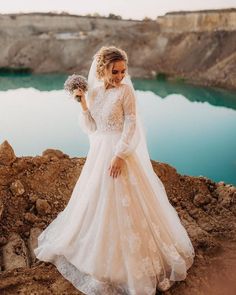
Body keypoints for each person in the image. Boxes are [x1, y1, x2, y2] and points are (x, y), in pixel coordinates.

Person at [34, 46, 195, 295]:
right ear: (103, 69)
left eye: (123, 71)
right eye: (115, 71)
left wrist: (120, 155)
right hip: (99, 154)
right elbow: (92, 128)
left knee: (129, 206)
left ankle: (134, 265)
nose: (120, 76)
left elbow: (132, 125)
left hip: (120, 154)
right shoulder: (95, 92)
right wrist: (83, 103)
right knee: (95, 203)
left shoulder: (126, 91)